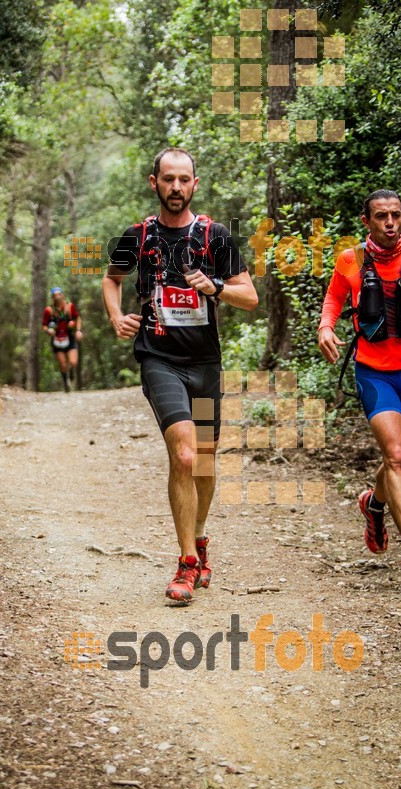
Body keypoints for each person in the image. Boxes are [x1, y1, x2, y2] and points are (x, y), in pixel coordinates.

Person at [102, 147, 258, 602]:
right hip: (159, 358)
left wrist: (217, 287)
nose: (175, 187)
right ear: (154, 183)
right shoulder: (137, 236)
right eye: (167, 179)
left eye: (183, 179)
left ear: (194, 183)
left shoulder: (215, 235)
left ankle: (201, 538)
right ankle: (187, 562)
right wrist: (116, 317)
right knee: (185, 457)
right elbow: (111, 279)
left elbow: (249, 296)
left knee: (205, 460)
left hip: (205, 363)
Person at [318, 189, 401, 580]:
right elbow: (333, 301)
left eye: (395, 215)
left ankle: (374, 504)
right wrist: (326, 328)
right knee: (397, 456)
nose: (389, 222)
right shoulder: (350, 259)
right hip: (375, 372)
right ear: (366, 222)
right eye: (381, 216)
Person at [42, 287, 83, 392]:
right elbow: (44, 325)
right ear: (52, 297)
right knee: (63, 364)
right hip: (57, 339)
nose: (57, 297)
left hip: (69, 337)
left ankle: (72, 373)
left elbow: (77, 318)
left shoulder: (69, 307)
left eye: (59, 294)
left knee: (73, 362)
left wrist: (78, 330)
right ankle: (66, 382)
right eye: (55, 295)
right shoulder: (49, 310)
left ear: (62, 295)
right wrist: (48, 331)